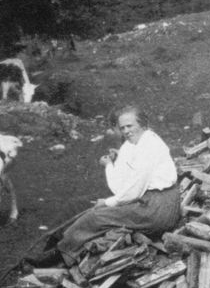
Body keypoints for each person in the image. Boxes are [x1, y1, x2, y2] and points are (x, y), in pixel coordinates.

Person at [35, 105, 180, 267]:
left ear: (143, 124)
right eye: (122, 127)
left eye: (130, 126)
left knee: (95, 217)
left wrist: (107, 202)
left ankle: (61, 256)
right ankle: (59, 249)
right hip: (158, 203)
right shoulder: (146, 141)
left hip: (156, 210)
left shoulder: (147, 147)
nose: (126, 131)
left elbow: (133, 191)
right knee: (94, 213)